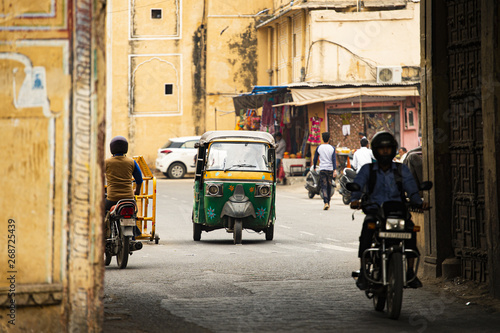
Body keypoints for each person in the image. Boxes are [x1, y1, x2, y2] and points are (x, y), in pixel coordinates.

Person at [350, 132, 429, 290]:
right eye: (381, 149)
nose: (385, 152)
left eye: (388, 148)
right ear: (375, 150)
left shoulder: (402, 169)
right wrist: (355, 199)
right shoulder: (368, 169)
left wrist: (419, 202)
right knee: (366, 232)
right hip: (375, 212)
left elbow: (412, 190)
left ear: (393, 150)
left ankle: (410, 272)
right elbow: (358, 185)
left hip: (397, 212)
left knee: (411, 230)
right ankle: (365, 273)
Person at [105, 136, 143, 221]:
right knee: (133, 215)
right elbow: (139, 179)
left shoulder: (107, 162)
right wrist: (137, 192)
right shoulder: (131, 162)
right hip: (129, 198)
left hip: (112, 199)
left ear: (112, 148)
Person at [313, 132, 337, 210]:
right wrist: (334, 170)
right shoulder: (332, 148)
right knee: (329, 186)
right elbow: (333, 160)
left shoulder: (319, 147)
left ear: (322, 139)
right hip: (330, 169)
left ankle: (326, 202)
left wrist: (314, 166)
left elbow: (315, 158)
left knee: (324, 186)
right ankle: (328, 202)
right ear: (329, 138)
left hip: (322, 169)